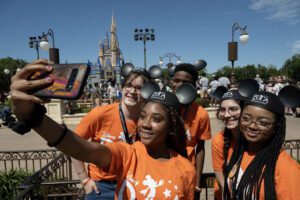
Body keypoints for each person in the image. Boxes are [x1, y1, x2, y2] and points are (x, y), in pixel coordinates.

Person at [9, 61, 196, 199]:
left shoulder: (186, 170)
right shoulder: (128, 153)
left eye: (156, 119)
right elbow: (80, 148)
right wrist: (33, 116)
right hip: (101, 188)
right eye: (142, 116)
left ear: (171, 126)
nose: (145, 124)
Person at [71, 68, 150, 199]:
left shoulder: (147, 119)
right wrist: (84, 180)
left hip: (134, 183)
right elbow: (72, 145)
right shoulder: (100, 114)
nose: (132, 91)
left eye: (138, 88)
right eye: (128, 86)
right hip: (102, 187)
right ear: (122, 87)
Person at [223, 91, 300, 199]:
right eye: (246, 118)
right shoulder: (238, 153)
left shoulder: (287, 169)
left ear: (276, 127)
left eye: (263, 122)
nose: (252, 126)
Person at [171, 63, 211, 197]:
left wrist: (198, 183)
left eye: (185, 82)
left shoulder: (201, 114)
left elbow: (200, 148)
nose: (179, 85)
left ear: (194, 86)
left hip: (189, 173)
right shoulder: (162, 107)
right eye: (176, 80)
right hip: (164, 172)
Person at [211, 90, 244, 200]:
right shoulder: (218, 140)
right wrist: (229, 194)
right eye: (223, 110)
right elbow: (218, 171)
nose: (226, 115)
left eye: (233, 109)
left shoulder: (253, 140)